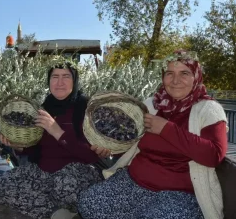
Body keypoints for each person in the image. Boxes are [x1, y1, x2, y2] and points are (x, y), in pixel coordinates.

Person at [78, 50, 228, 219]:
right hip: (134, 182)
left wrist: (166, 129)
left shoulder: (208, 109)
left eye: (184, 73)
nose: (176, 80)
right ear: (163, 77)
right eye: (170, 73)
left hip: (178, 195)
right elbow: (131, 141)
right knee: (88, 202)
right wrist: (109, 149)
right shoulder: (153, 104)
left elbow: (214, 155)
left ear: (196, 77)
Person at [0, 62, 111, 219]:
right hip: (44, 172)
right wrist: (17, 145)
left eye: (66, 77)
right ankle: (56, 213)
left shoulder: (87, 108)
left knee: (63, 186)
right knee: (2, 184)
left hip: (76, 175)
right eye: (55, 77)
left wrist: (57, 131)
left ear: (75, 80)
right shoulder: (43, 108)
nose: (60, 82)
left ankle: (65, 208)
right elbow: (34, 147)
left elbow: (91, 155)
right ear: (49, 81)